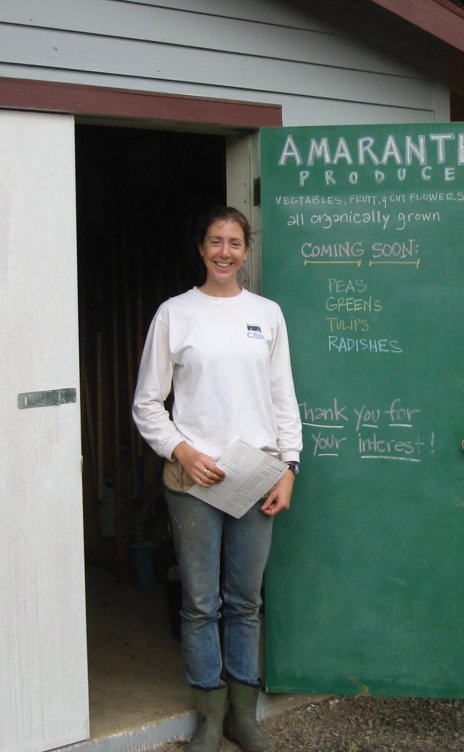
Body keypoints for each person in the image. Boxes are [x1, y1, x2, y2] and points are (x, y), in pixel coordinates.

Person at [132, 206, 302, 752]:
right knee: (201, 603)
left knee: (245, 601)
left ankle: (242, 719)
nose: (224, 251)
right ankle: (208, 718)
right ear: (201, 248)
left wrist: (289, 467)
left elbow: (283, 398)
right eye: (214, 241)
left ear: (246, 250)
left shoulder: (267, 314)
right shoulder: (174, 314)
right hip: (194, 480)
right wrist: (182, 449)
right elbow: (147, 404)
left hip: (256, 475)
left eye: (234, 242)